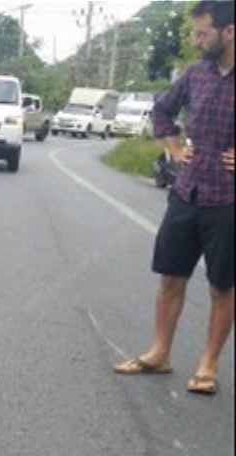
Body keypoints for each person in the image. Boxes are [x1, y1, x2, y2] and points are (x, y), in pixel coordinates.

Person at [114, 0, 234, 396]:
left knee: (222, 286)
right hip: (188, 190)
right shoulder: (195, 74)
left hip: (228, 200)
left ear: (229, 31)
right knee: (171, 276)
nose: (196, 41)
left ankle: (208, 365)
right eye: (194, 34)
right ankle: (159, 352)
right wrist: (175, 147)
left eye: (202, 34)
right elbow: (162, 110)